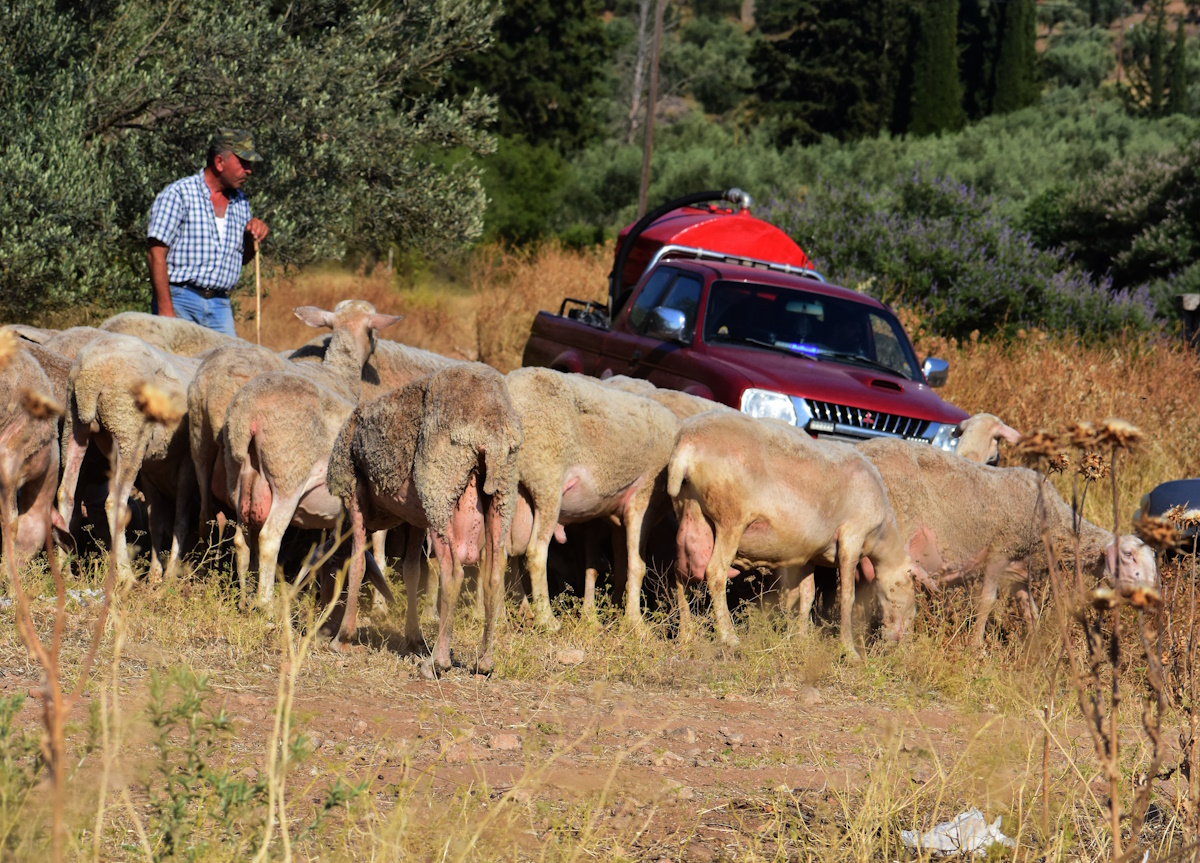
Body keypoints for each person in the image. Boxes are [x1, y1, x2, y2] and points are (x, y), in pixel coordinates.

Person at [146, 129, 270, 337]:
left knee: (228, 366)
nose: (249, 171)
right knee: (178, 366)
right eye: (244, 163)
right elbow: (155, 255)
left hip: (220, 305)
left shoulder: (241, 202)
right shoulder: (178, 194)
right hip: (180, 299)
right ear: (220, 162)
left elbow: (241, 260)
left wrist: (252, 237)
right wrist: (166, 310)